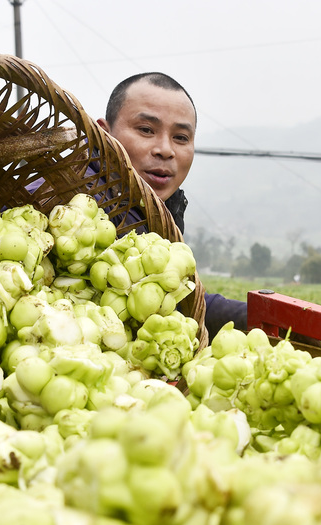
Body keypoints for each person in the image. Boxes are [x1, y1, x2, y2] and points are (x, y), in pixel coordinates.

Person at [95, 72, 248, 342]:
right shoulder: (64, 201)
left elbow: (179, 301)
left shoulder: (157, 210)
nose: (165, 150)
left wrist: (263, 315)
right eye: (146, 130)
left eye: (180, 137)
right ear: (104, 134)